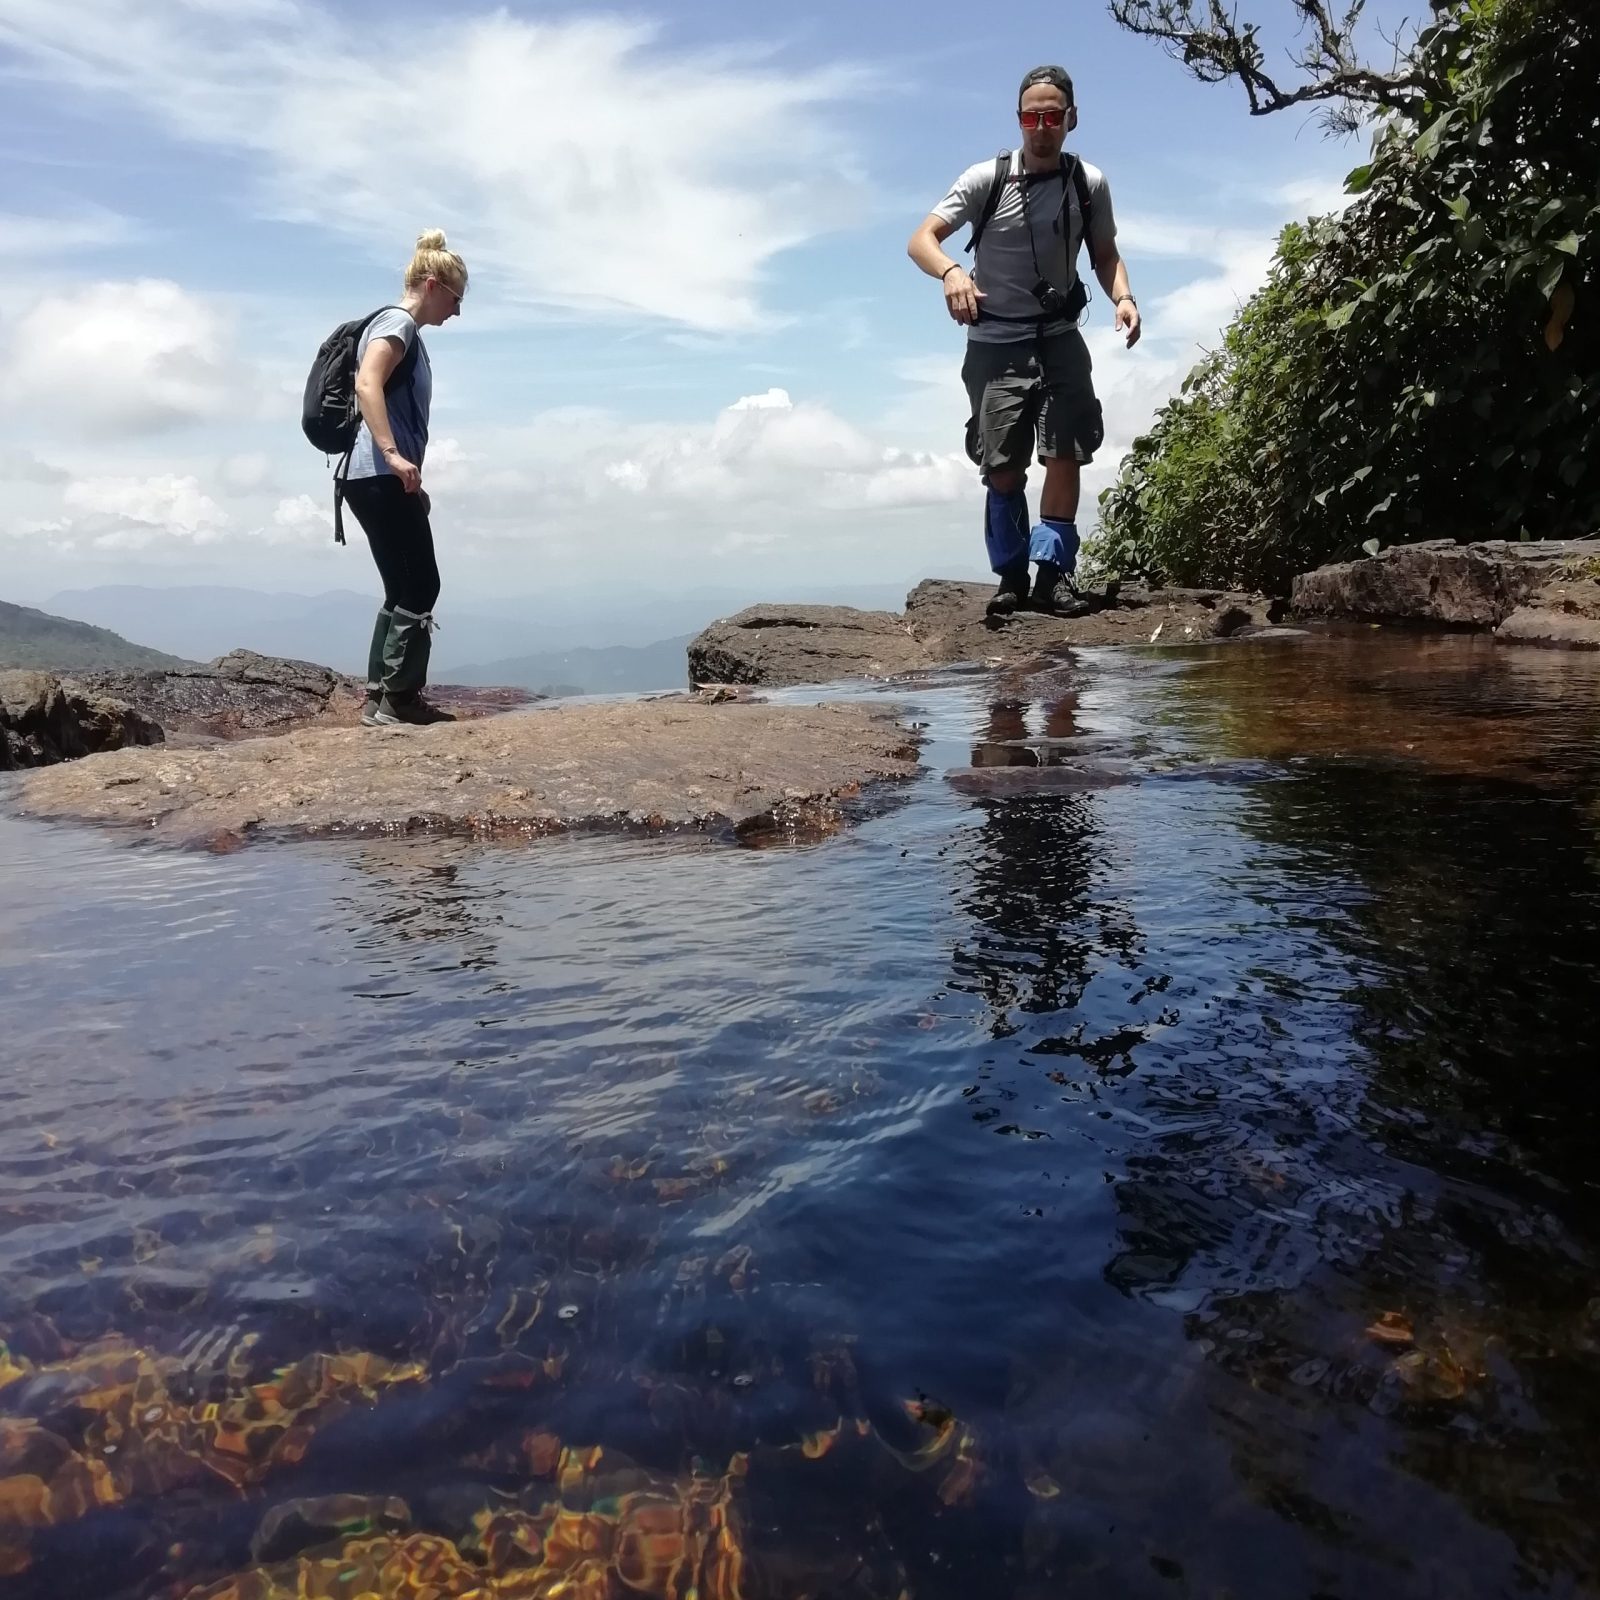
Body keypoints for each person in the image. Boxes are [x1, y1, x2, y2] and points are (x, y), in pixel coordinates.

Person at [908, 65, 1141, 618]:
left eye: (1052, 116)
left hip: (1060, 337)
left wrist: (1125, 299)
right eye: (1031, 117)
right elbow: (922, 239)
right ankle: (1011, 575)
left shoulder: (1088, 183)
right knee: (1003, 467)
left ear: (1071, 120)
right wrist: (951, 273)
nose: (1041, 127)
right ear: (1019, 120)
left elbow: (1104, 253)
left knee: (1066, 453)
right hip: (995, 345)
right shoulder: (985, 179)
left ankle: (1053, 576)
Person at [340, 229, 467, 725]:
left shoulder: (394, 326)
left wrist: (406, 472)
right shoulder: (397, 323)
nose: (456, 312)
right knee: (422, 586)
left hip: (366, 474)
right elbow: (367, 381)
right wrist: (393, 455)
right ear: (433, 284)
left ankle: (378, 698)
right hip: (376, 471)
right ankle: (400, 700)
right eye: (456, 299)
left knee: (400, 585)